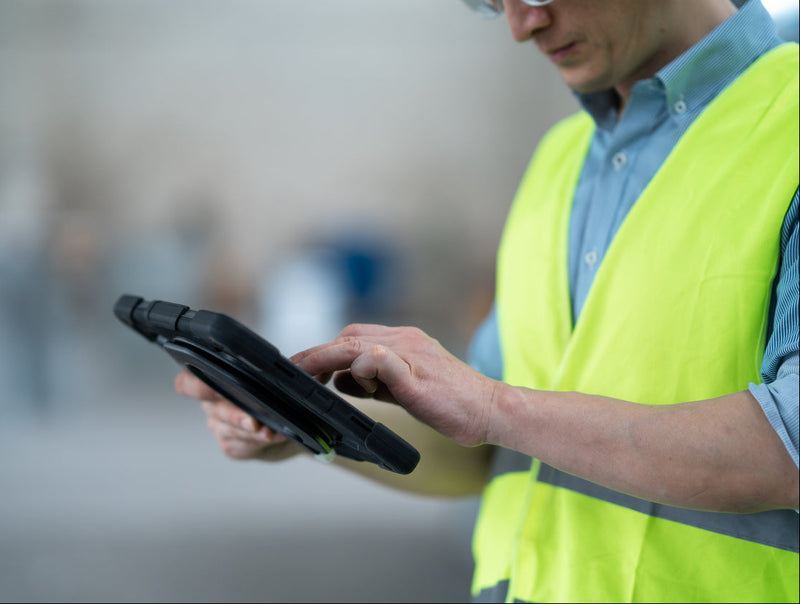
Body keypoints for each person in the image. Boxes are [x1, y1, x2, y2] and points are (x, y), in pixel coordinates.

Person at [175, 0, 799, 601]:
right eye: (492, 0)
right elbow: (484, 451)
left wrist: (495, 405)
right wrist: (305, 420)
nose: (522, 26)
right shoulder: (559, 159)